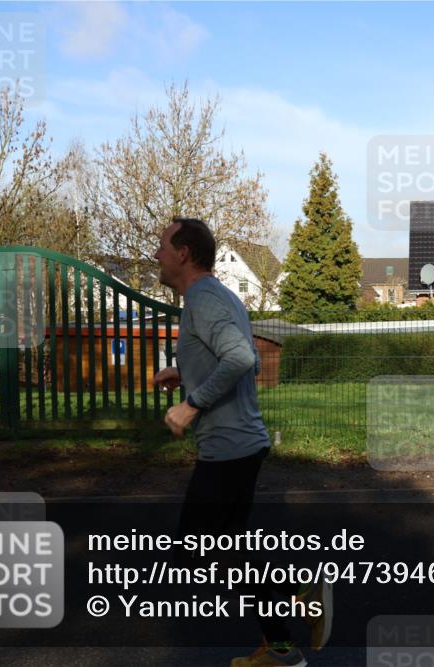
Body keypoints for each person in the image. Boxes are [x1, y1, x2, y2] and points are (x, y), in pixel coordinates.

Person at [152, 217, 330, 667]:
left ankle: (299, 602)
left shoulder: (205, 298)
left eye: (161, 246)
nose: (156, 255)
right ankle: (284, 646)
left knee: (199, 547)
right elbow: (237, 358)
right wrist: (185, 372)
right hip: (239, 445)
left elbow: (240, 357)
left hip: (229, 449)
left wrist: (191, 404)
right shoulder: (218, 296)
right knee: (230, 546)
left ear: (184, 253)